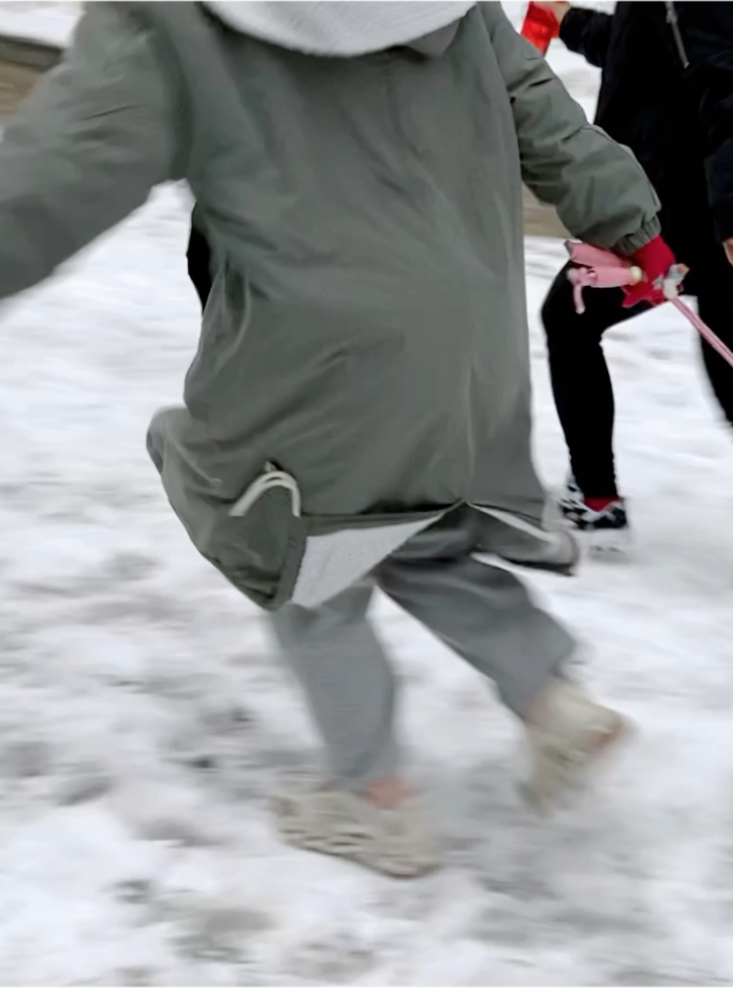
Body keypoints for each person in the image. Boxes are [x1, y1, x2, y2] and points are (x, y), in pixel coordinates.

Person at [0, 1, 674, 877]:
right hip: (468, 339)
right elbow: (544, 112)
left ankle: (374, 799)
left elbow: (53, 175)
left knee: (306, 565)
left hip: (326, 360)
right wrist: (633, 220)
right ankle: (553, 704)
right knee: (421, 532)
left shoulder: (174, 20)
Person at [533, 1, 733, 614]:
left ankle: (597, 501)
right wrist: (568, 21)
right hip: (715, 208)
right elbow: (646, 59)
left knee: (569, 320)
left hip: (691, 218)